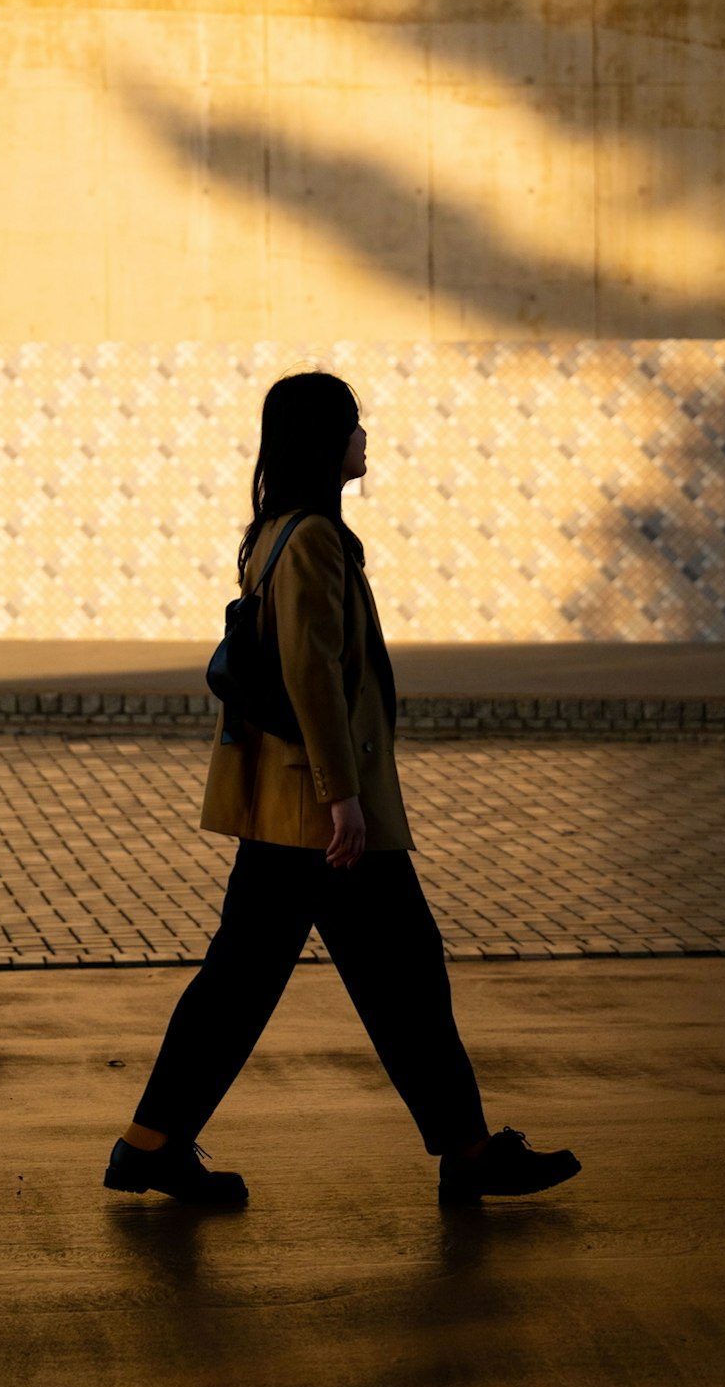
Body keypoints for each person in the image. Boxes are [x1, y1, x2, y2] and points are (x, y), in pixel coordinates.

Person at [103, 369, 581, 1209]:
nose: (366, 438)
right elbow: (312, 675)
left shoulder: (273, 535)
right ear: (324, 440)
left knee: (248, 982)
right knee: (403, 977)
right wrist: (343, 796)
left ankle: (151, 1144)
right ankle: (469, 1153)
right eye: (354, 425)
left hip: (287, 814)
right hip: (322, 820)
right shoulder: (314, 539)